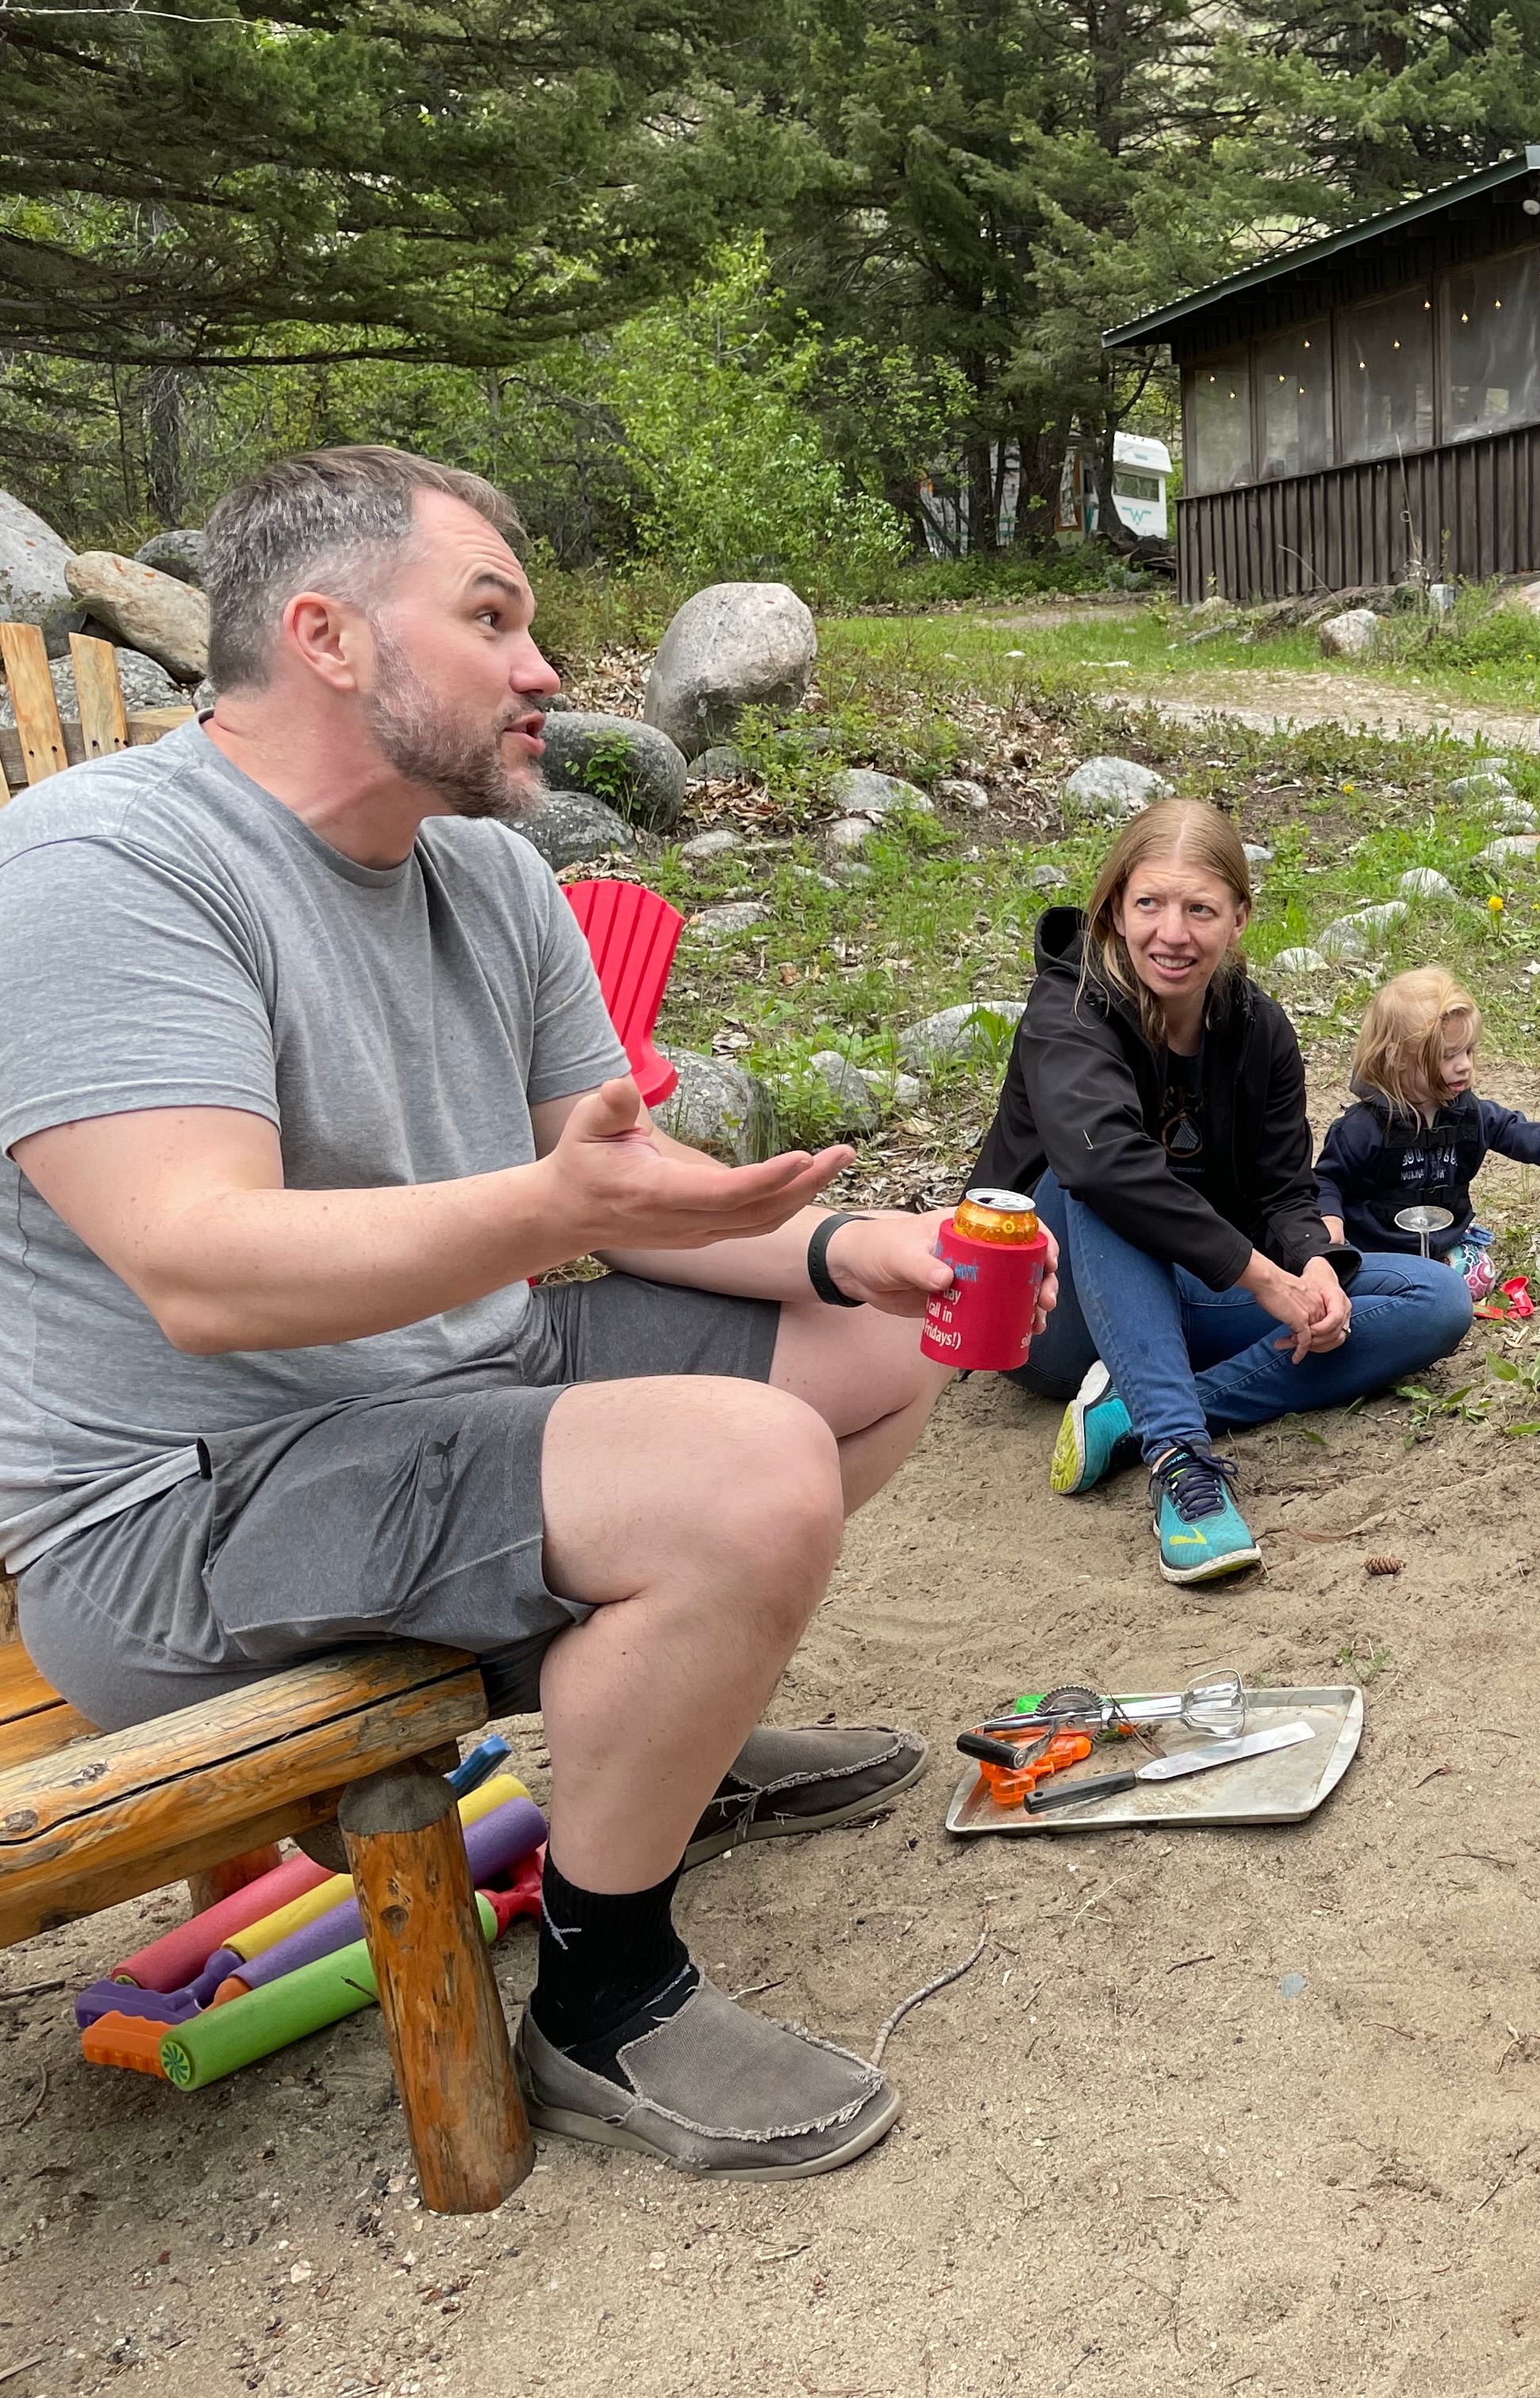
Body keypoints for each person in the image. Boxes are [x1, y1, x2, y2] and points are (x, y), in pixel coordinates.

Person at [0, 446, 1046, 2178]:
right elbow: (198, 1267)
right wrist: (557, 1210)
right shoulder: (104, 870)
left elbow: (615, 1197)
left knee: (874, 1352)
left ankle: (656, 1736)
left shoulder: (486, 876)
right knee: (747, 1477)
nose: (547, 668)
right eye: (493, 617)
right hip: (180, 1507)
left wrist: (852, 1246)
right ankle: (607, 1998)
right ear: (327, 636)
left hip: (449, 1386)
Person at [976, 802, 1472, 1582]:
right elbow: (1103, 1166)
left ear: (1238, 920)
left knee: (1436, 1299)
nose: (1172, 933)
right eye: (1149, 905)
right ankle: (1180, 1457)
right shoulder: (1069, 1009)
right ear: (1115, 908)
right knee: (1105, 1180)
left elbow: (1284, 1189)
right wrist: (1267, 1280)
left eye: (1199, 909)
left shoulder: (1259, 1028)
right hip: (1048, 1309)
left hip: (1185, 1292)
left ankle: (1131, 1414)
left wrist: (1312, 1264)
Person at [1316, 967, 1540, 1263]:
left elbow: (1527, 1136)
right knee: (1350, 1273)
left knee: (1477, 1276)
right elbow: (1326, 1179)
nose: (1464, 1065)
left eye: (1468, 1051)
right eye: (1447, 1055)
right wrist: (1331, 1219)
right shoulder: (1363, 1127)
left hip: (1445, 1239)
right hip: (1375, 1246)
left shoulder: (1470, 1115)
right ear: (1397, 1058)